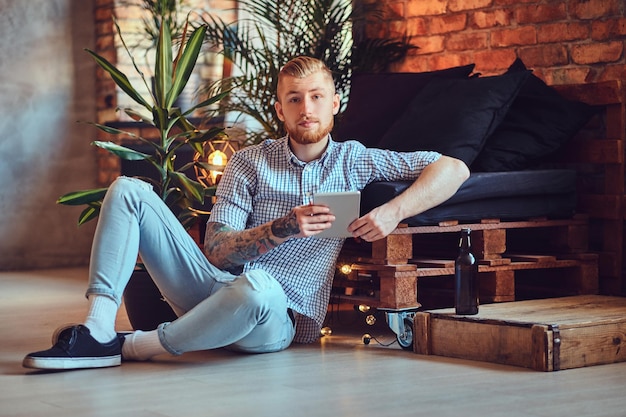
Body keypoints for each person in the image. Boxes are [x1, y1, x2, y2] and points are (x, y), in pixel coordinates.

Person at [23, 56, 469, 370]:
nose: (306, 108)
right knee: (127, 189)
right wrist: (283, 227)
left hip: (277, 317)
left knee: (258, 286)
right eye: (294, 99)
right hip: (214, 289)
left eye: (316, 97)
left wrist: (392, 211)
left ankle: (139, 347)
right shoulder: (249, 161)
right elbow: (215, 252)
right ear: (279, 109)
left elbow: (454, 168)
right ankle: (99, 331)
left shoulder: (356, 159)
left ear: (335, 103)